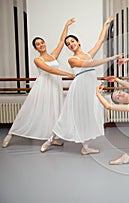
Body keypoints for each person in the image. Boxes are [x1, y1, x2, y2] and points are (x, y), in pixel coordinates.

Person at [40, 17, 122, 155]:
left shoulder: (88, 55)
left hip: (91, 87)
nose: (70, 44)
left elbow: (100, 41)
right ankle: (50, 140)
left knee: (90, 115)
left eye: (72, 41)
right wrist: (112, 58)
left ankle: (86, 146)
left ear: (78, 42)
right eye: (68, 44)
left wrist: (106, 24)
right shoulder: (72, 59)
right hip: (79, 89)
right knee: (68, 115)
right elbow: (91, 64)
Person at [2, 18, 75, 148]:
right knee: (30, 110)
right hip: (43, 87)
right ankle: (11, 134)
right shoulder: (37, 59)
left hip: (54, 87)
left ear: (45, 43)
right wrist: (67, 74)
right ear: (35, 48)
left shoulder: (53, 56)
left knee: (54, 112)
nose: (41, 45)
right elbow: (50, 69)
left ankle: (52, 138)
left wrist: (66, 26)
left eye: (42, 43)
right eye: (38, 44)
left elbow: (61, 42)